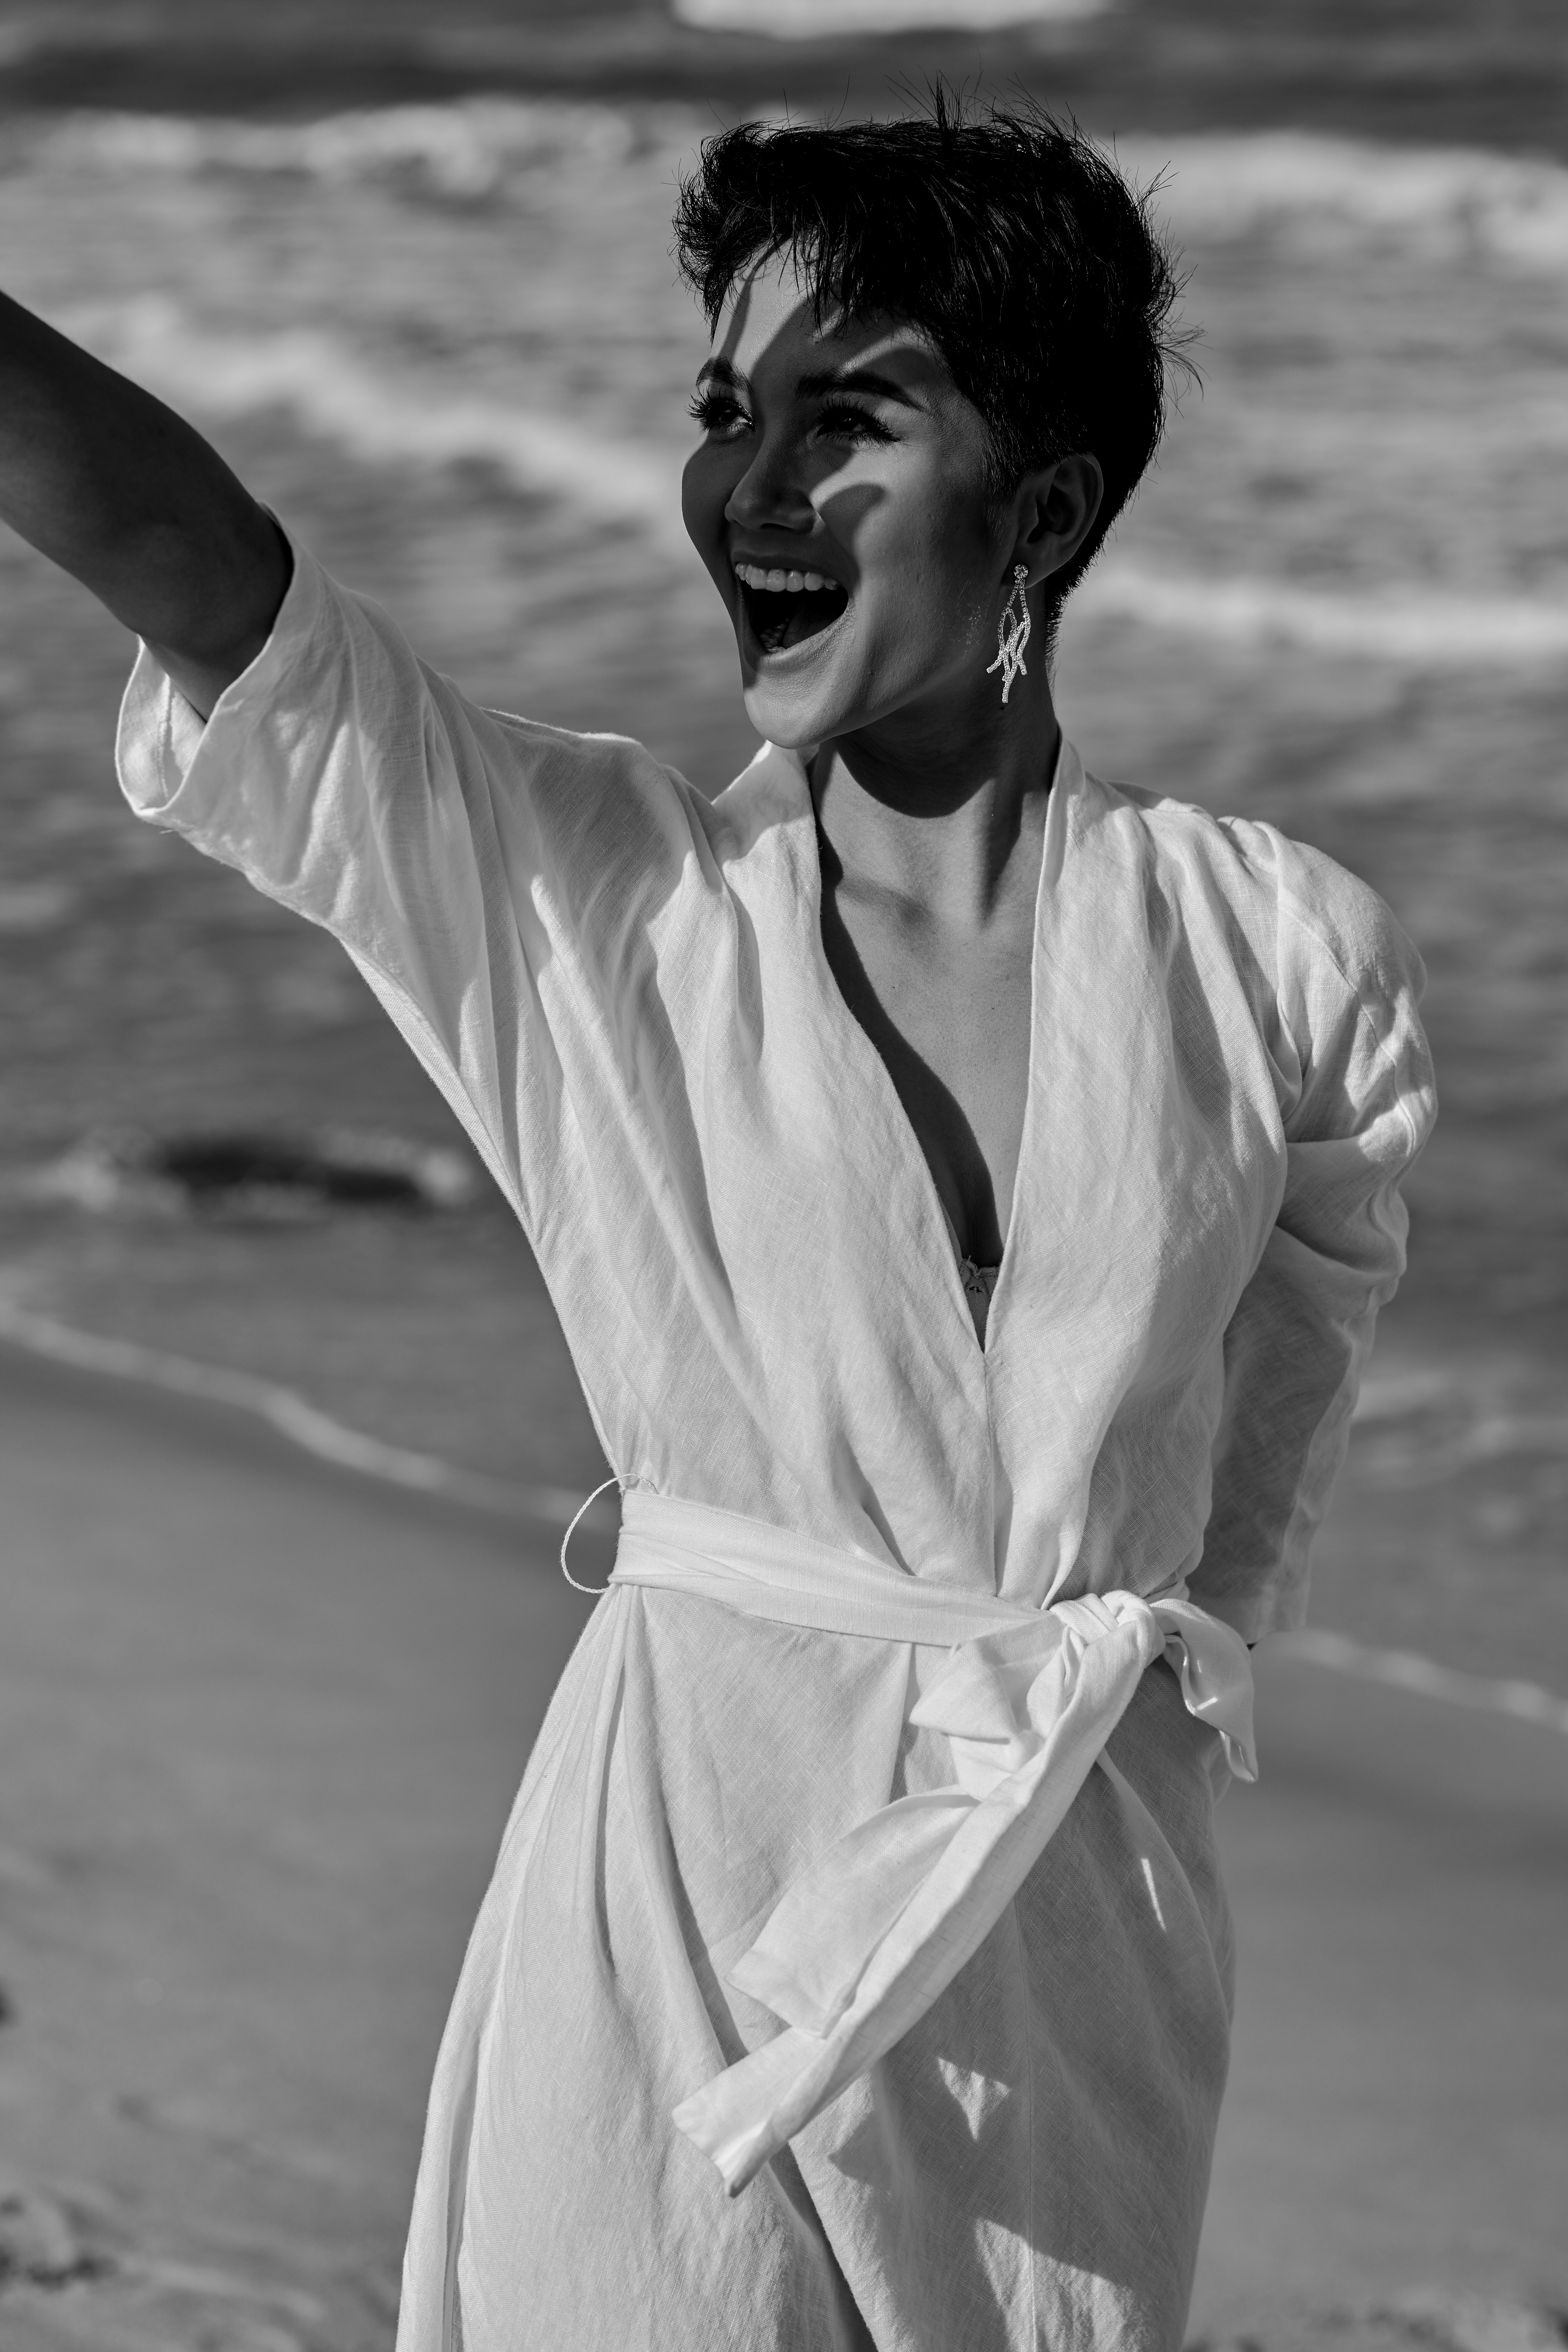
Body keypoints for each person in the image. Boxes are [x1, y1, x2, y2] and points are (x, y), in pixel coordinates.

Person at [0, 96, 1433, 2352]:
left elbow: (1234, 1542)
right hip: (672, 1949)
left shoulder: (1280, 963)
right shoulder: (599, 905)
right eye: (724, 411)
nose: (750, 489)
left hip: (1075, 2003)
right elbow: (208, 575)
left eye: (843, 421)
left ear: (1045, 510)